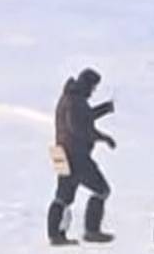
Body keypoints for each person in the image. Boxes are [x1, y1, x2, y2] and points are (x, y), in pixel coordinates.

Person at [48, 67, 116, 245]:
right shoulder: (75, 101)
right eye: (93, 88)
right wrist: (103, 138)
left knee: (63, 196)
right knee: (102, 190)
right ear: (87, 84)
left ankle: (55, 235)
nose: (93, 92)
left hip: (60, 152)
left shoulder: (68, 98)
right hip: (75, 155)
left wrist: (104, 109)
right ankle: (92, 231)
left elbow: (83, 117)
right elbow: (79, 128)